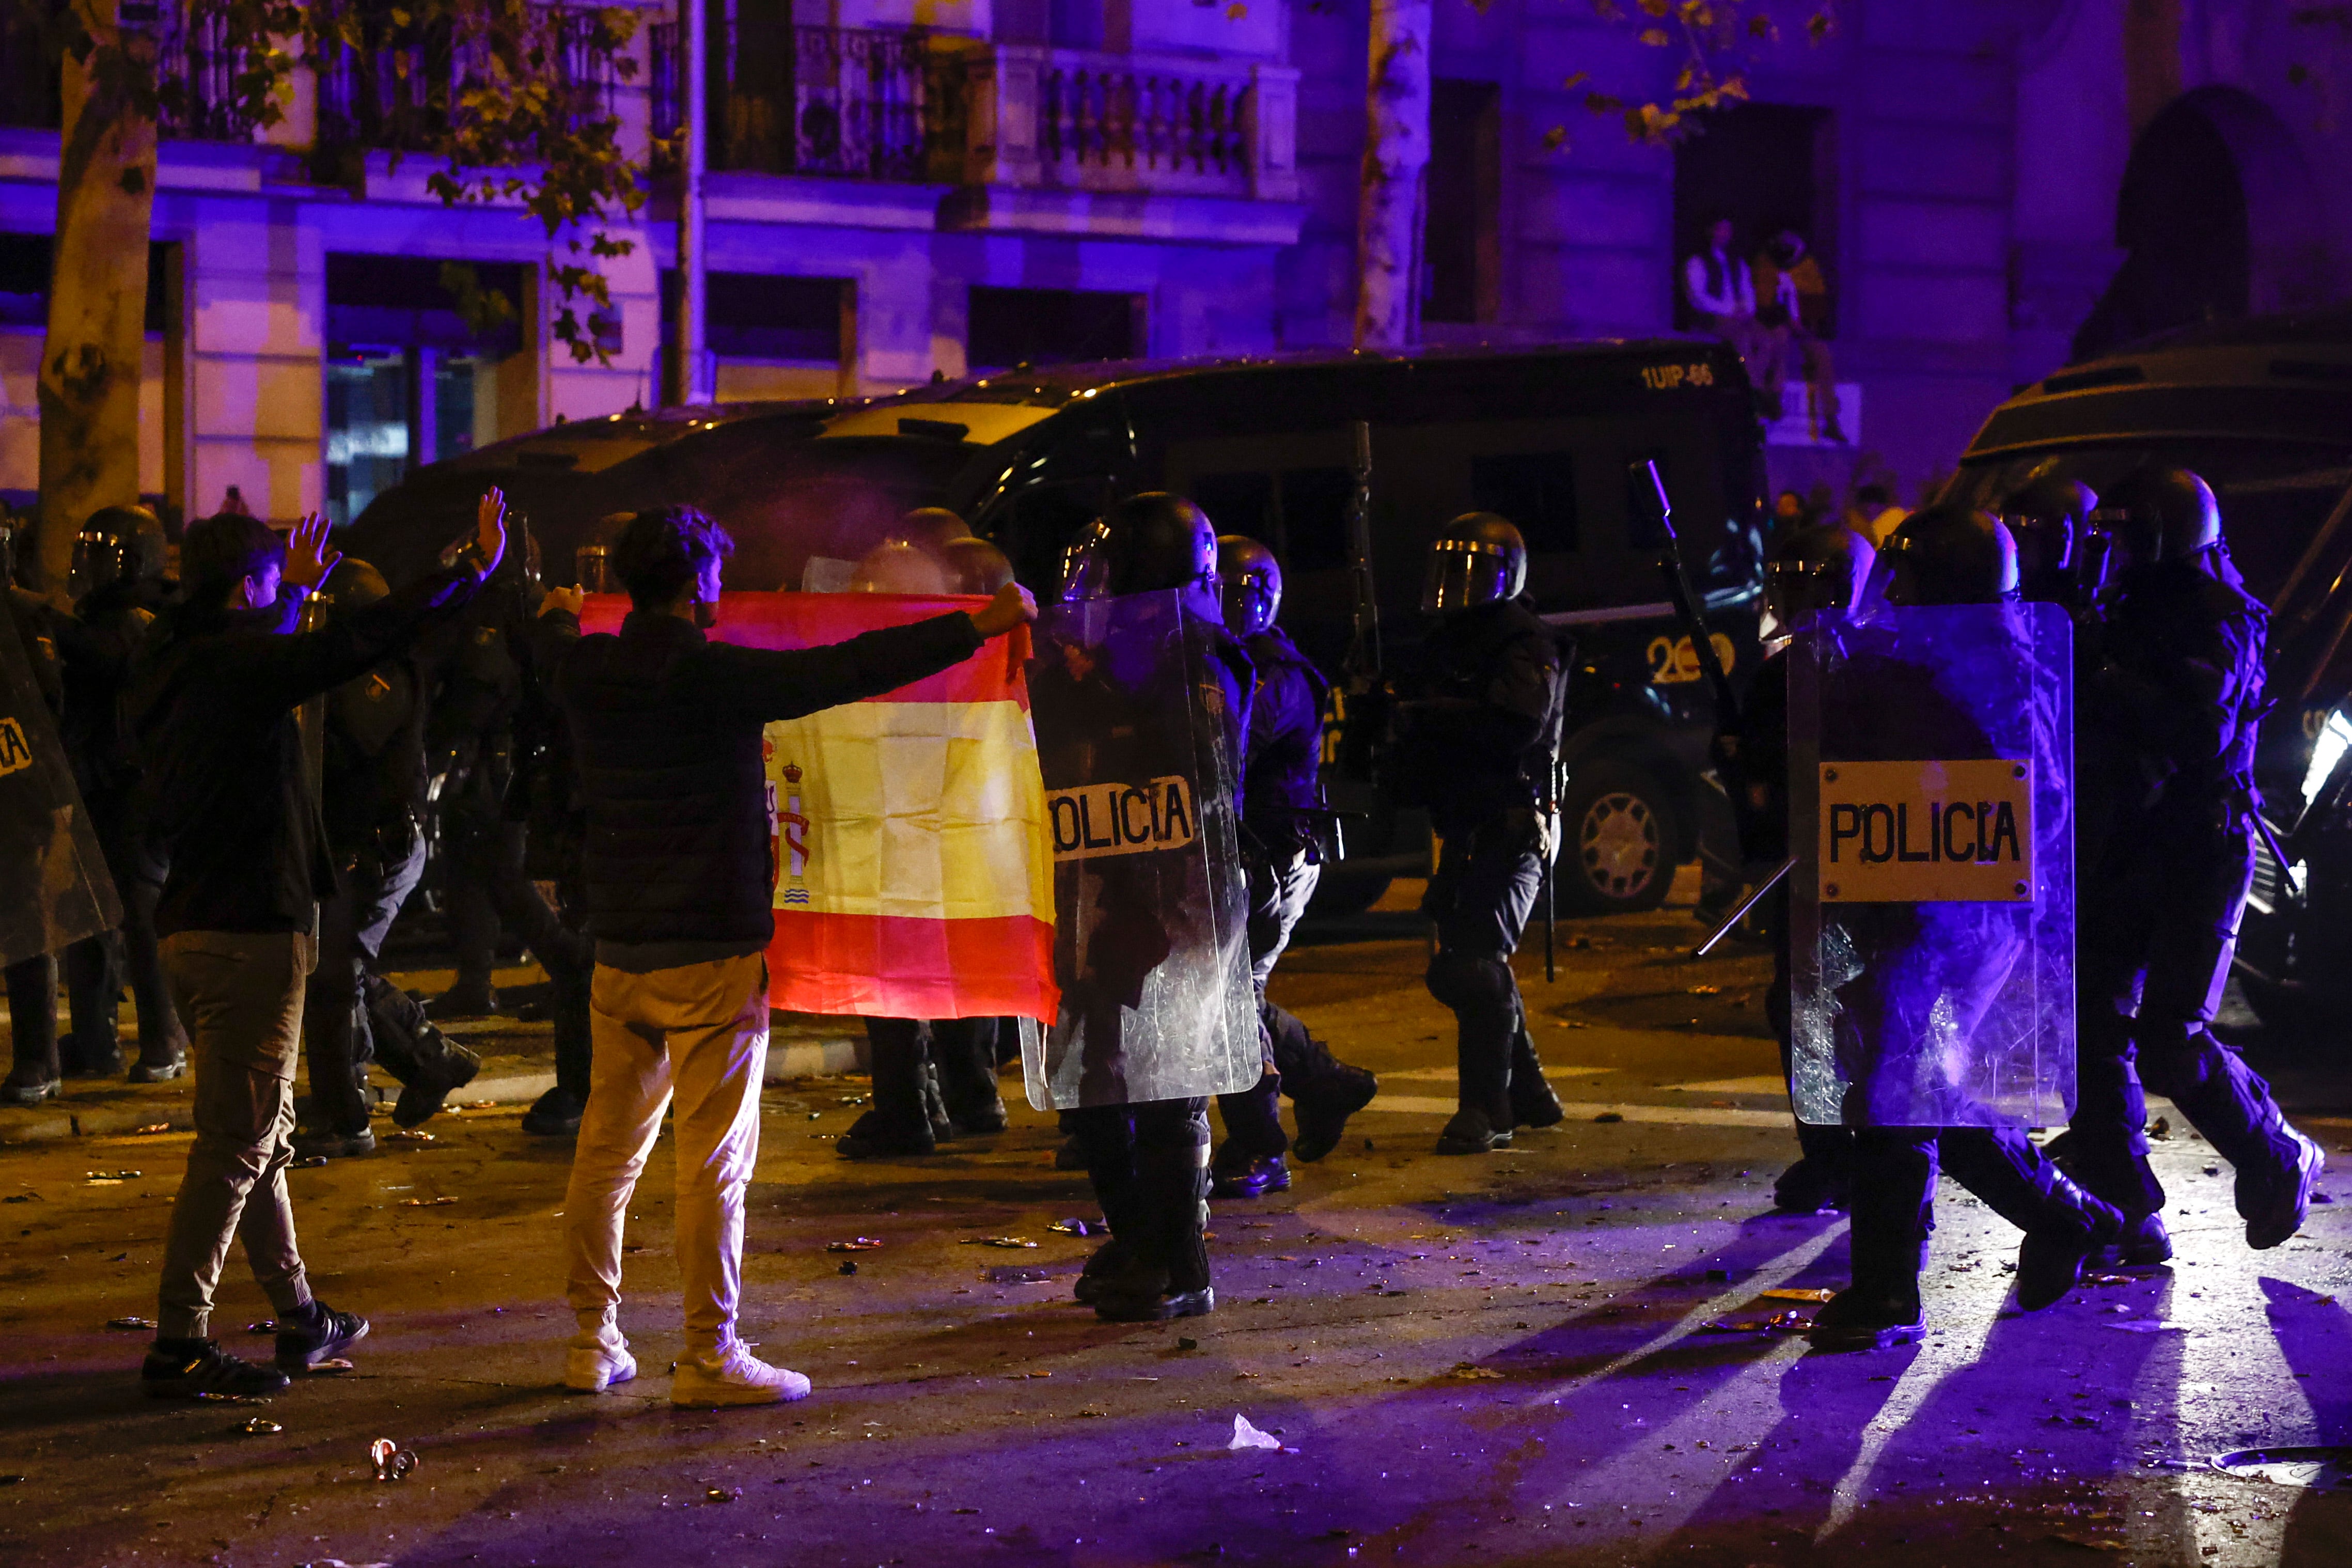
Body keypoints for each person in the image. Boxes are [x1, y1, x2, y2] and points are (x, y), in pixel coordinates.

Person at [539, 504, 1035, 1402]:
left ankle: (589, 1340)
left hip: (618, 951)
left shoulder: (585, 667)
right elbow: (847, 668)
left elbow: (535, 633)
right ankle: (707, 1353)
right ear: (694, 585)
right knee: (711, 1166)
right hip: (712, 955)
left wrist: (554, 608)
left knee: (603, 1159)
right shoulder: (712, 675)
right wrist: (977, 625)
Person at [130, 499, 506, 1398]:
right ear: (251, 586)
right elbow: (352, 645)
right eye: (275, 585)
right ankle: (179, 1343)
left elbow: (296, 658)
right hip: (248, 930)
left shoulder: (172, 666)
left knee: (261, 1136)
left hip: (195, 925)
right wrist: (462, 570)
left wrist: (289, 602)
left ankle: (300, 1317)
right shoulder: (234, 666)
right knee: (237, 1142)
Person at [1806, 505, 2123, 1351]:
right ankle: (2066, 1217)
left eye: (1909, 584)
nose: (1894, 598)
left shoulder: (2004, 673)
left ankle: (1883, 1293)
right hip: (1913, 902)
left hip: (1967, 912)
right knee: (1917, 1092)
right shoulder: (1915, 659)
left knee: (1894, 1092)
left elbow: (2036, 802)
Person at [2061, 468, 2325, 1266]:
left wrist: (2101, 668)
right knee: (2091, 1024)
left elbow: (2197, 734)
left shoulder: (2220, 617)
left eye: (2127, 534)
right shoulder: (2119, 610)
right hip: (2131, 842)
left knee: (2171, 1037)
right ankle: (2123, 1204)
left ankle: (2276, 1153)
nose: (2112, 550)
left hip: (2200, 847)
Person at [1054, 492, 1252, 1322]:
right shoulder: (1115, 655)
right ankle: (1138, 1237)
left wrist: (1097, 690)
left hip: (1181, 898)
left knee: (1167, 1084)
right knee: (1092, 1083)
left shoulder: (1200, 660)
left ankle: (1180, 1263)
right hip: (1110, 889)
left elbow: (1193, 775)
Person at [1391, 513, 1571, 1156]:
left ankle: (1487, 1106)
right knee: (1462, 963)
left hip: (1513, 824)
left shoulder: (1523, 643)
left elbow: (1515, 725)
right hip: (1468, 825)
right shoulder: (1456, 640)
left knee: (1471, 966)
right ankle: (1530, 1093)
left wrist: (1431, 718)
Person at [1206, 535, 1379, 1197]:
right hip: (1239, 856)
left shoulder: (1277, 673)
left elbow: (1228, 743)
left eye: (1226, 593)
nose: (1215, 604)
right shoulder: (1226, 660)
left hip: (1272, 860)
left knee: (1227, 1001)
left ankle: (1260, 1146)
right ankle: (1326, 1082)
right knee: (1230, 992)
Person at [293, 560, 482, 1159]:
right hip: (344, 844)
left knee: (329, 978)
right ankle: (430, 1059)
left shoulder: (381, 674)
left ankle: (345, 1115)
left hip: (377, 846)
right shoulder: (348, 670)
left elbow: (354, 751)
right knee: (330, 973)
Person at [1736, 523, 1874, 1213]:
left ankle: (1875, 1157)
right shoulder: (1778, 672)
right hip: (1801, 868)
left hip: (1870, 870)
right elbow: (1750, 768)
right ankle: (1827, 1154)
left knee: (1866, 1010)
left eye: (1809, 583)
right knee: (1795, 1008)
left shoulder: (1879, 666)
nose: (1795, 598)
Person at [60, 505, 187, 1085]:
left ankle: (164, 1039)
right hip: (93, 784)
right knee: (82, 916)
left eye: (99, 552)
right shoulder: (97, 614)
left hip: (137, 788)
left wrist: (43, 619)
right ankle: (94, 1040)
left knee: (140, 916)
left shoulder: (146, 615)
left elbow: (110, 659)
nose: (86, 564)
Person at [1751, 229, 1844, 442]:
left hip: (1802, 328)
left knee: (1821, 354)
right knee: (1777, 342)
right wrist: (1784, 315)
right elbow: (1762, 302)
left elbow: (1817, 303)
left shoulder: (1808, 266)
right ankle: (1767, 404)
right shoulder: (1765, 263)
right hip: (1773, 324)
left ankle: (1831, 418)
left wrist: (1804, 323)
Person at [1683, 217, 1775, 405]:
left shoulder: (1737, 262)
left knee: (1767, 339)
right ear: (1711, 232)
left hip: (1739, 315)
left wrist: (1747, 310)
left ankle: (1757, 386)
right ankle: (1754, 391)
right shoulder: (1697, 261)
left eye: (1728, 231)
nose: (1725, 235)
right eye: (1720, 230)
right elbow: (1698, 297)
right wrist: (1730, 310)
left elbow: (1748, 289)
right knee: (1743, 338)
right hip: (1713, 317)